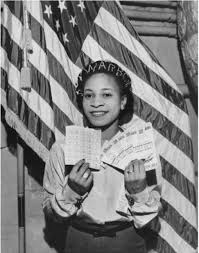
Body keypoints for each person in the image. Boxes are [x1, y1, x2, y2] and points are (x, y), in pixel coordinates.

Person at [43, 61, 162, 253]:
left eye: (106, 95)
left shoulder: (141, 149)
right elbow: (50, 213)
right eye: (89, 95)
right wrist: (71, 191)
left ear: (123, 101)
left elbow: (151, 219)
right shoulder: (62, 149)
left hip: (128, 241)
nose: (96, 102)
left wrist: (138, 191)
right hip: (78, 241)